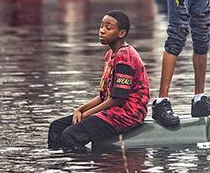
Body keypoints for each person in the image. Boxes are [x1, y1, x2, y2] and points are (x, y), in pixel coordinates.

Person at [47, 10, 150, 150]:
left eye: (108, 28)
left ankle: (86, 168)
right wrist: (80, 109)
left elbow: (118, 98)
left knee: (70, 136)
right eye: (101, 26)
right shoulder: (110, 55)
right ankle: (58, 167)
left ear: (121, 33)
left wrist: (86, 115)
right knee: (56, 127)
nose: (102, 31)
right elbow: (104, 95)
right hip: (113, 109)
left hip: (128, 113)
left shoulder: (126, 57)